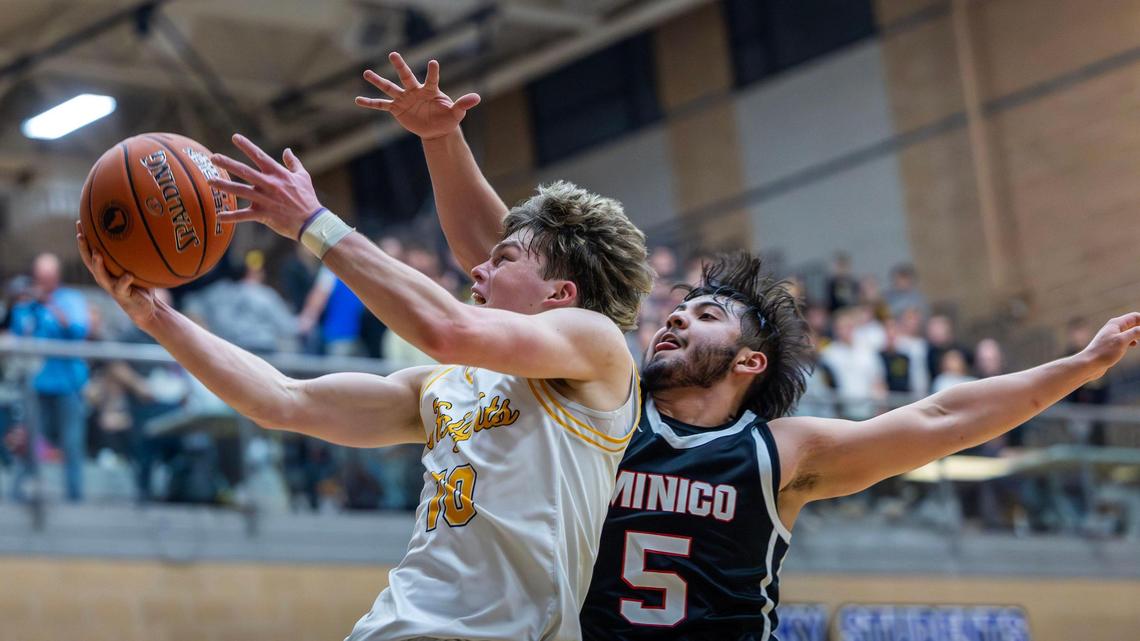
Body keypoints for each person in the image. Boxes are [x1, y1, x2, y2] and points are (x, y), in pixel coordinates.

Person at [365, 54, 1140, 641]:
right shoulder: (601, 401)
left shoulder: (778, 452)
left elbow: (942, 415)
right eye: (675, 309)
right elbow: (512, 269)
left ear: (749, 361)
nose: (671, 320)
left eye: (701, 314)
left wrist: (1074, 367)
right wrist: (443, 140)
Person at [78, 67, 653, 639]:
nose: (476, 268)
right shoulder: (442, 388)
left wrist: (312, 222)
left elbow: (445, 325)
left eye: (502, 260)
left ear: (562, 294)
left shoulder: (596, 346)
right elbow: (282, 400)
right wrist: (156, 317)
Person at [8, 253, 91, 502]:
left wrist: (48, 303)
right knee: (29, 442)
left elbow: (77, 330)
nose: (43, 281)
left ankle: (75, 500)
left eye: (48, 276)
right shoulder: (26, 306)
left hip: (68, 385)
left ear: (56, 277)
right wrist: (26, 302)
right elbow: (16, 334)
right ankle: (17, 498)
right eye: (40, 277)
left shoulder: (70, 300)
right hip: (35, 385)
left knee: (72, 444)